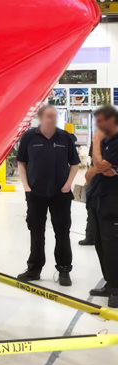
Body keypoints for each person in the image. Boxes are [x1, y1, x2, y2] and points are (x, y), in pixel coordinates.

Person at [16, 104, 79, 286]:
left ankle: (64, 270)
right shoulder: (29, 137)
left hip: (61, 194)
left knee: (62, 233)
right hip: (36, 194)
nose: (53, 119)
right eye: (49, 116)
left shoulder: (65, 138)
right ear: (41, 118)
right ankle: (34, 268)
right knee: (36, 232)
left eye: (55, 116)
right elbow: (22, 163)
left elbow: (74, 164)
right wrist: (26, 186)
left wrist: (68, 184)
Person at [84, 105, 118, 306]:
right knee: (100, 243)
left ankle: (116, 288)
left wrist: (96, 140)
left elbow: (98, 164)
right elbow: (90, 173)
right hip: (96, 196)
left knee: (113, 244)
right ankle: (110, 281)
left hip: (113, 198)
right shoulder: (100, 142)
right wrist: (97, 168)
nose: (98, 126)